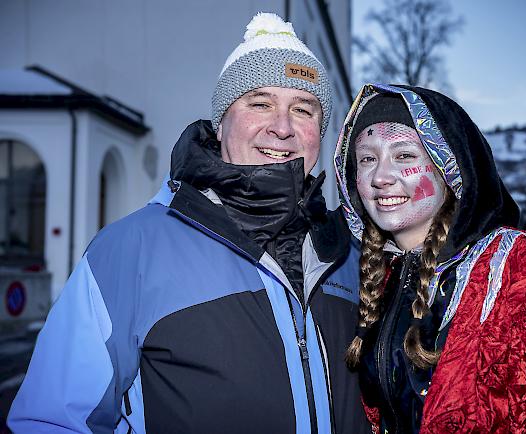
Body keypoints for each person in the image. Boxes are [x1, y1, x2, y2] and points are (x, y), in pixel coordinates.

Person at [9, 13, 369, 434]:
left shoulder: (352, 254)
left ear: (320, 133)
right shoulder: (130, 250)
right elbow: (52, 421)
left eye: (303, 109)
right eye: (260, 103)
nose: (282, 127)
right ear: (220, 124)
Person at [333, 83, 526, 434]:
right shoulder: (375, 276)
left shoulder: (524, 265)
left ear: (450, 167)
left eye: (404, 156)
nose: (381, 177)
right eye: (367, 159)